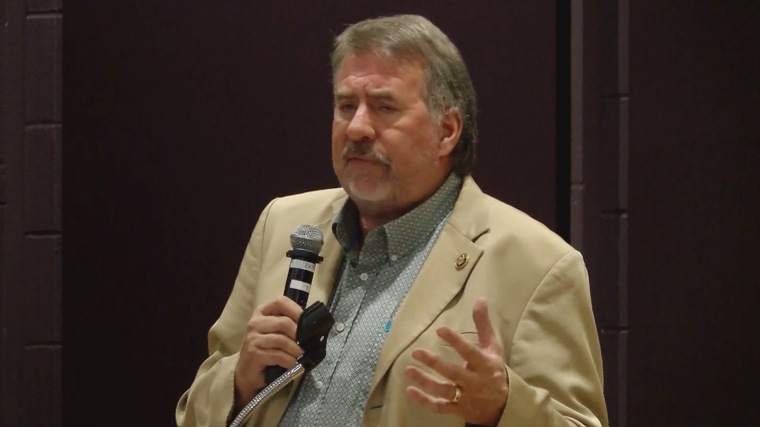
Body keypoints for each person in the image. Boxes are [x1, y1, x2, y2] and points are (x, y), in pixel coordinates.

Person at [176, 14, 608, 427]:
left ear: (447, 131)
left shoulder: (538, 265)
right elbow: (194, 410)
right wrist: (240, 376)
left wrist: (504, 408)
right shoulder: (283, 223)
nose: (357, 128)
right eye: (346, 106)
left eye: (384, 107)